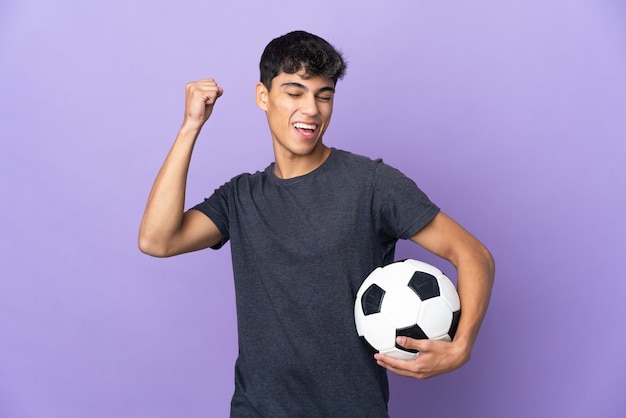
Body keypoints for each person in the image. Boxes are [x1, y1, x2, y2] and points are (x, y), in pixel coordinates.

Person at [139, 30, 495, 417]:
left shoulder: (372, 184)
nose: (311, 109)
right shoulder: (240, 198)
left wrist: (461, 347)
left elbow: (473, 254)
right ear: (263, 96)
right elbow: (157, 240)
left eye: (323, 95)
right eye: (294, 92)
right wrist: (191, 126)